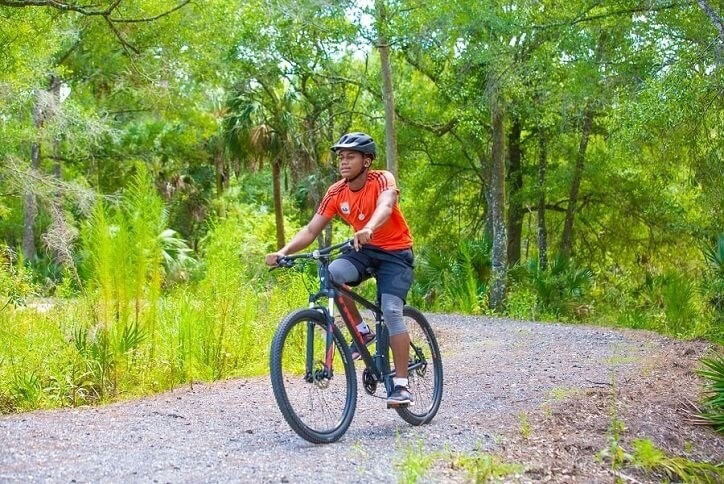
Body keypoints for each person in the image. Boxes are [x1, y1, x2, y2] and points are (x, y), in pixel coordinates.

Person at [265, 132, 415, 406]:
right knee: (332, 274)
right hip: (365, 249)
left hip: (395, 252)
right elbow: (311, 229)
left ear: (367, 161)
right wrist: (283, 252)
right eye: (341, 158)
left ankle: (402, 385)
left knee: (392, 311)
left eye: (351, 157)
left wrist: (369, 227)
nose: (343, 162)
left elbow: (386, 205)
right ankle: (362, 330)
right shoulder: (336, 192)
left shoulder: (382, 179)